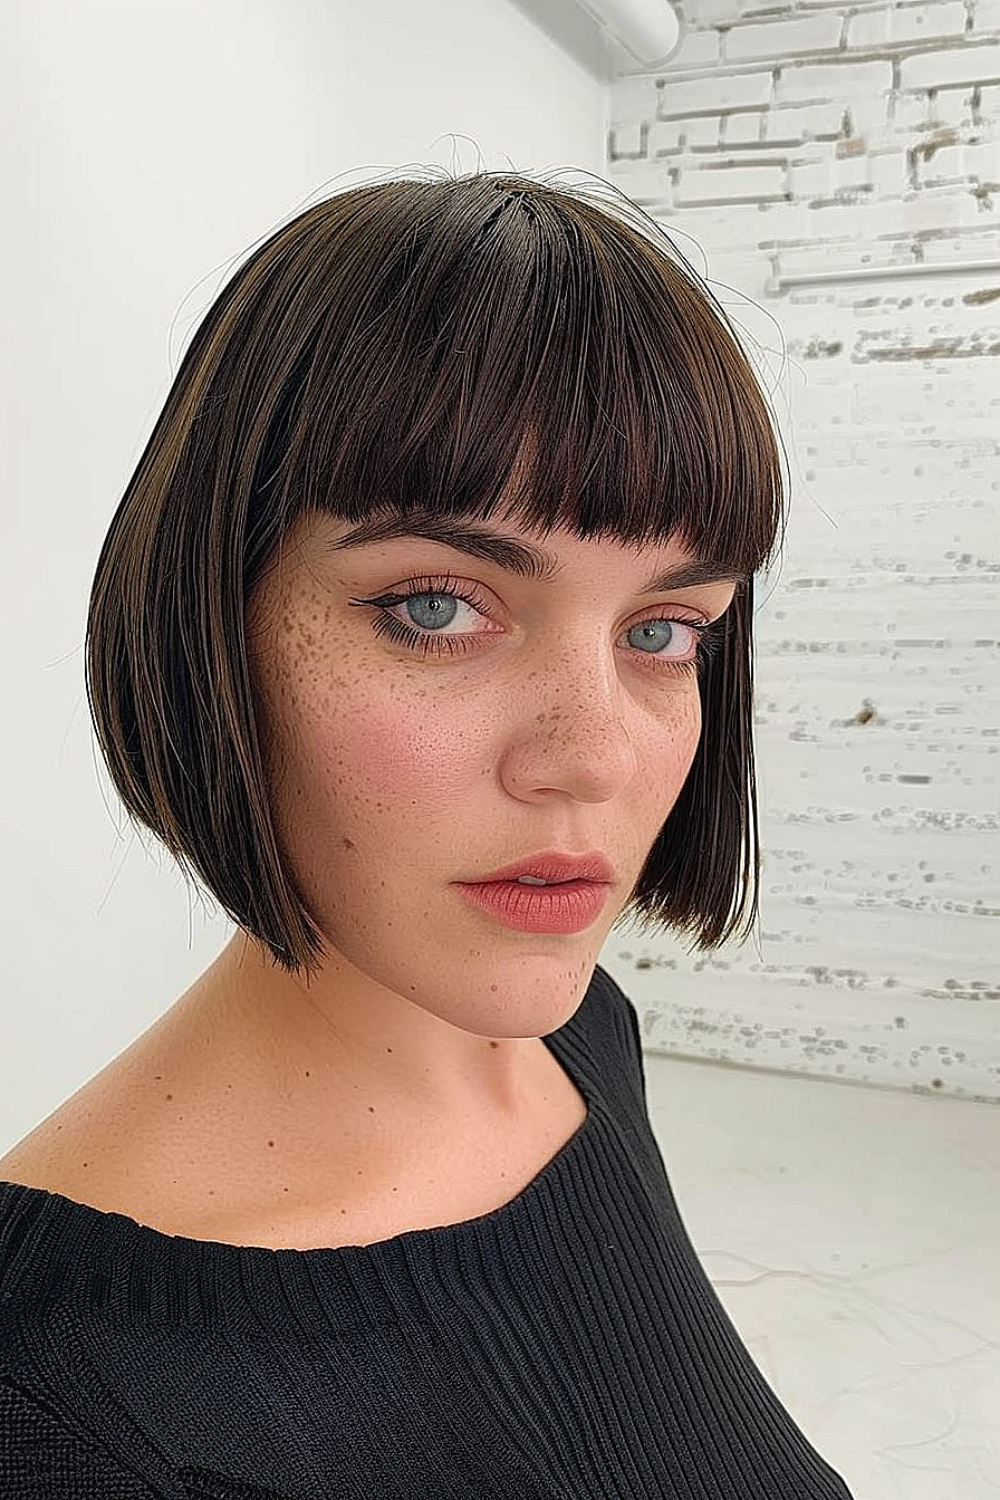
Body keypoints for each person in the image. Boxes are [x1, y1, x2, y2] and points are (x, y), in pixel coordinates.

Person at [0, 168, 855, 1497]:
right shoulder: (58, 1404)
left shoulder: (580, 1039)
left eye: (663, 630)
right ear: (208, 622)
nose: (593, 754)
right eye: (436, 609)